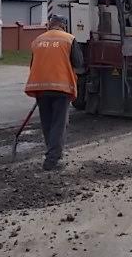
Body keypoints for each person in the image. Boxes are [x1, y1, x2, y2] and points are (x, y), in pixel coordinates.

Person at [25, 15, 84, 171]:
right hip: (60, 87)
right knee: (59, 123)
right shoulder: (69, 39)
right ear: (63, 26)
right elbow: (79, 63)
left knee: (47, 123)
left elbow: (33, 64)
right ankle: (52, 161)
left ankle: (51, 153)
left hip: (40, 87)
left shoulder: (37, 40)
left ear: (50, 25)